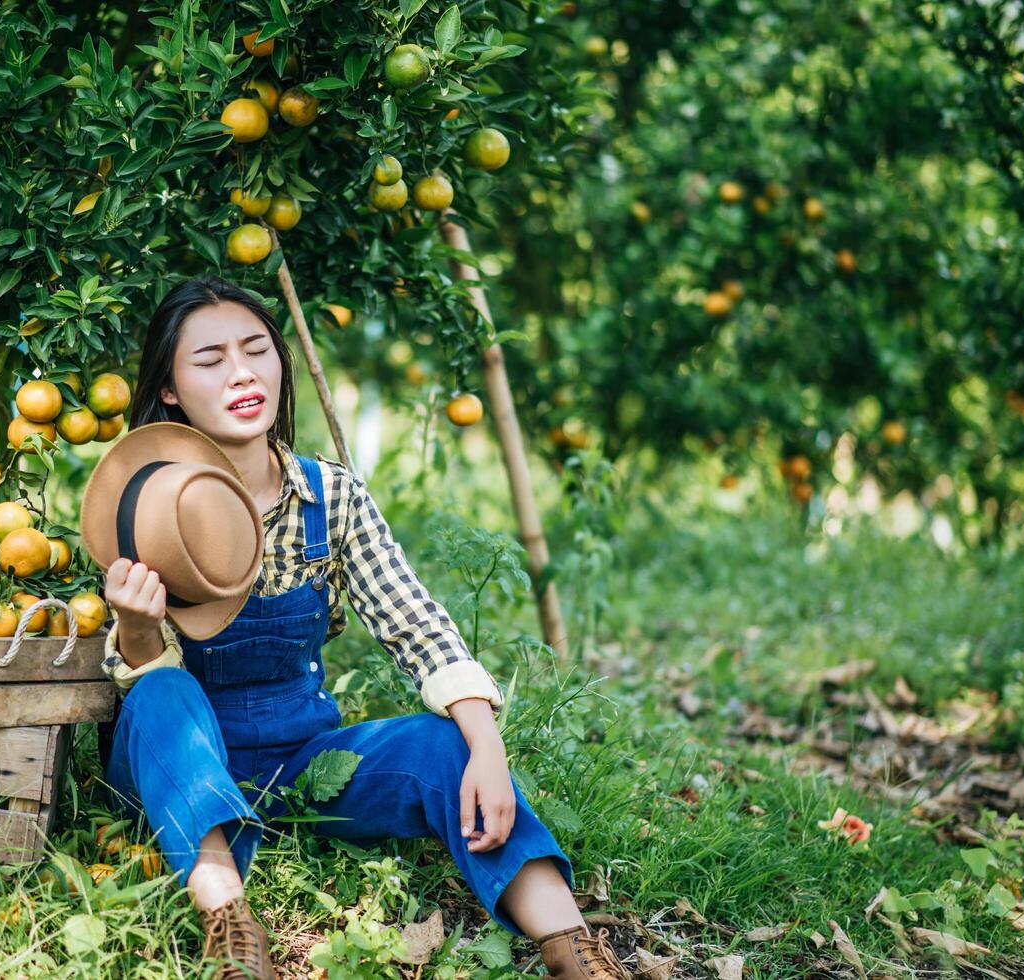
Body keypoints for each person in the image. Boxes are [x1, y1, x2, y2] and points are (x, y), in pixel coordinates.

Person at [91, 276, 626, 979]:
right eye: (209, 360)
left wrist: (486, 750)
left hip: (305, 765)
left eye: (256, 349)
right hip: (180, 765)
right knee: (161, 699)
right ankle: (230, 926)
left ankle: (573, 948)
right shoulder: (148, 503)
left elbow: (415, 623)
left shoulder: (329, 497)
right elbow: (143, 677)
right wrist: (136, 625)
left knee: (445, 746)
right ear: (168, 388)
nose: (242, 372)